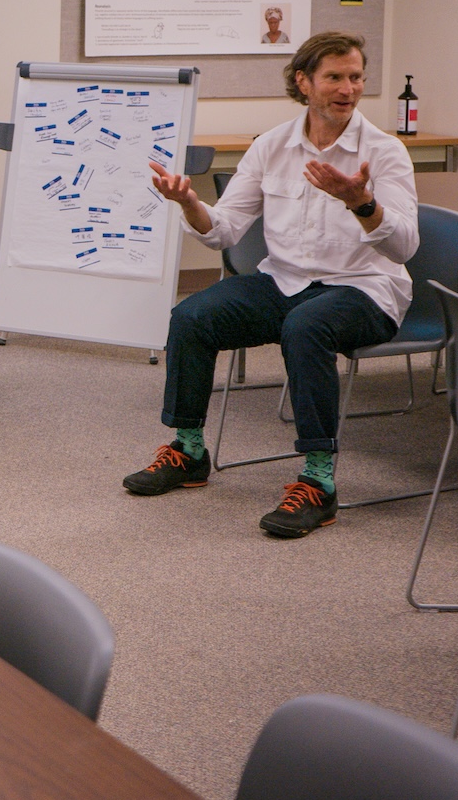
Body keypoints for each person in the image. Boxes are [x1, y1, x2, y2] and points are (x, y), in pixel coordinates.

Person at [123, 32, 417, 538]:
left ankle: (319, 483)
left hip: (365, 288)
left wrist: (361, 203)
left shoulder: (384, 152)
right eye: (334, 77)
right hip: (284, 280)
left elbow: (405, 247)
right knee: (191, 317)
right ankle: (189, 450)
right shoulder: (271, 145)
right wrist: (189, 204)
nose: (347, 89)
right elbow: (225, 231)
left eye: (356, 77)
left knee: (306, 327)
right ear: (303, 82)